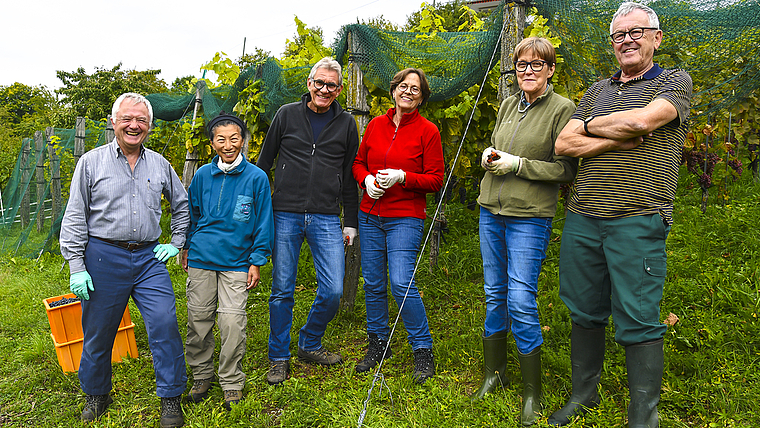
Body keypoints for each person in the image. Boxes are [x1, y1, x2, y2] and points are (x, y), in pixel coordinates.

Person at [547, 3, 692, 427]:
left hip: (639, 216)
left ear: (656, 38)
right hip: (583, 218)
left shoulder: (673, 81)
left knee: (638, 315)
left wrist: (592, 127)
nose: (627, 40)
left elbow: (647, 120)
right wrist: (612, 132)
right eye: (619, 35)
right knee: (584, 309)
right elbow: (563, 144)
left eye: (637, 32)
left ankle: (642, 417)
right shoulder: (597, 90)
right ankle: (583, 397)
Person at [60, 93, 189, 428]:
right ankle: (97, 392)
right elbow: (75, 216)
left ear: (149, 126)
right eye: (128, 119)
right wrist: (76, 266)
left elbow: (182, 205)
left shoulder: (160, 164)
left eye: (141, 120)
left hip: (148, 258)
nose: (135, 125)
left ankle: (171, 397)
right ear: (114, 122)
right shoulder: (90, 163)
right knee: (98, 332)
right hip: (103, 256)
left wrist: (176, 242)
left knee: (164, 323)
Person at [473, 37, 577, 425]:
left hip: (529, 216)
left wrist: (517, 165)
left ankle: (532, 393)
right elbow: (501, 149)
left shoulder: (563, 109)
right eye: (521, 65)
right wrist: (491, 156)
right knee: (494, 293)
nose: (528, 71)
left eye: (537, 65)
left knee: (520, 298)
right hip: (491, 211)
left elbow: (565, 170)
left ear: (550, 70)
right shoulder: (506, 105)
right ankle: (494, 375)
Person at [257, 57, 360, 385]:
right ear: (309, 84)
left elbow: (349, 177)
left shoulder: (346, 125)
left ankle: (309, 341)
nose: (324, 89)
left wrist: (351, 221)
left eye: (331, 85)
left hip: (326, 216)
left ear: (339, 89)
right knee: (282, 290)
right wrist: (259, 214)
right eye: (319, 83)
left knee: (332, 290)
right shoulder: (286, 115)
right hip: (284, 213)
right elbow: (264, 164)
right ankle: (278, 356)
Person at [352, 68, 444, 384]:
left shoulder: (428, 131)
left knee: (402, 282)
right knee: (374, 283)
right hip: (370, 214)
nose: (408, 91)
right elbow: (358, 162)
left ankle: (423, 349)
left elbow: (435, 179)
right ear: (394, 90)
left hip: (405, 216)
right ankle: (378, 343)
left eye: (415, 89)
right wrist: (365, 180)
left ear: (422, 97)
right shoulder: (376, 125)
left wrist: (403, 177)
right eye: (403, 86)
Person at [181, 113, 274, 409]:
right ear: (212, 144)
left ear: (243, 141)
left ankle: (231, 381)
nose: (228, 144)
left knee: (232, 321)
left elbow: (263, 223)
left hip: (237, 262)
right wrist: (185, 246)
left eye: (234, 138)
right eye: (221, 139)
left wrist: (256, 260)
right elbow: (192, 215)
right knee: (199, 319)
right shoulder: (202, 176)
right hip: (202, 258)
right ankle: (202, 373)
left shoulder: (256, 177)